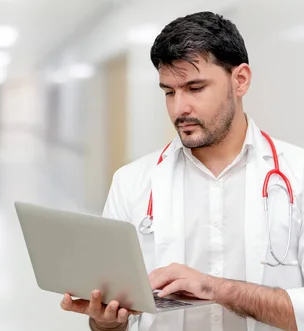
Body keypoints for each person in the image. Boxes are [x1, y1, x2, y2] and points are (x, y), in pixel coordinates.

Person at [60, 11, 304, 331]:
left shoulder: (297, 174)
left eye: (195, 88)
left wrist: (217, 289)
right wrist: (105, 323)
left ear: (240, 80)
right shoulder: (131, 182)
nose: (179, 109)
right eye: (169, 92)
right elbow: (115, 320)